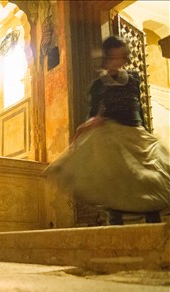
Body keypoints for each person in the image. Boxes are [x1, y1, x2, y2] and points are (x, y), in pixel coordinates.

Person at [45, 35, 170, 225]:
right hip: (113, 136)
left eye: (120, 57)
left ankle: (153, 226)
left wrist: (145, 131)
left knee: (150, 181)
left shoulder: (133, 79)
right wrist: (89, 126)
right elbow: (94, 113)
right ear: (106, 59)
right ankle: (116, 227)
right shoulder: (98, 85)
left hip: (136, 135)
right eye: (112, 57)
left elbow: (139, 107)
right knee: (116, 184)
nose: (116, 61)